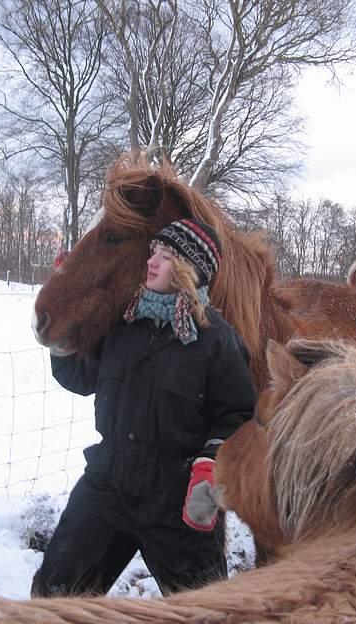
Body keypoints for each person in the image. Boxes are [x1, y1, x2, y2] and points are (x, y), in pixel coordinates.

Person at [31, 218, 257, 597]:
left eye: (166, 256)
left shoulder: (218, 341)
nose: (151, 262)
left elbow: (238, 416)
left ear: (189, 269)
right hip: (107, 488)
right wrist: (65, 326)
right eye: (153, 252)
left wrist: (210, 470)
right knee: (54, 597)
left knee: (206, 612)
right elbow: (80, 377)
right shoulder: (122, 325)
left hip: (178, 504)